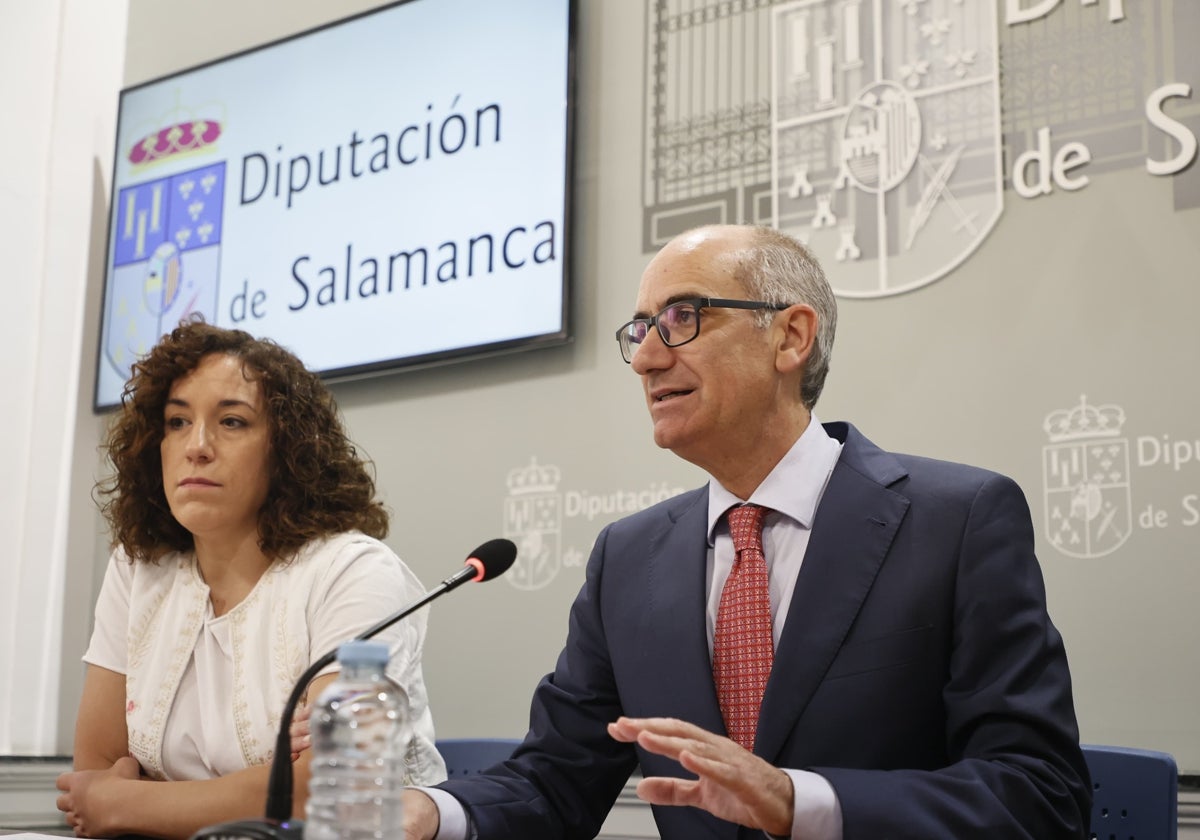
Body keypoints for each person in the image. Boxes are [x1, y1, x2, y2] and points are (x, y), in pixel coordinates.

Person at [395, 224, 1092, 839]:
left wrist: (800, 802)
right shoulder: (628, 558)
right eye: (640, 331)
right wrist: (425, 814)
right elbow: (552, 783)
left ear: (791, 336)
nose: (645, 359)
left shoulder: (958, 521)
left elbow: (1038, 795)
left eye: (682, 317)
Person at [56, 320, 446, 839]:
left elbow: (324, 794)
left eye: (232, 422)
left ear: (286, 450)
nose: (196, 446)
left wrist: (128, 800)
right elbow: (96, 770)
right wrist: (129, 798)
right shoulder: (139, 568)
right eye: (176, 422)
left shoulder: (352, 572)